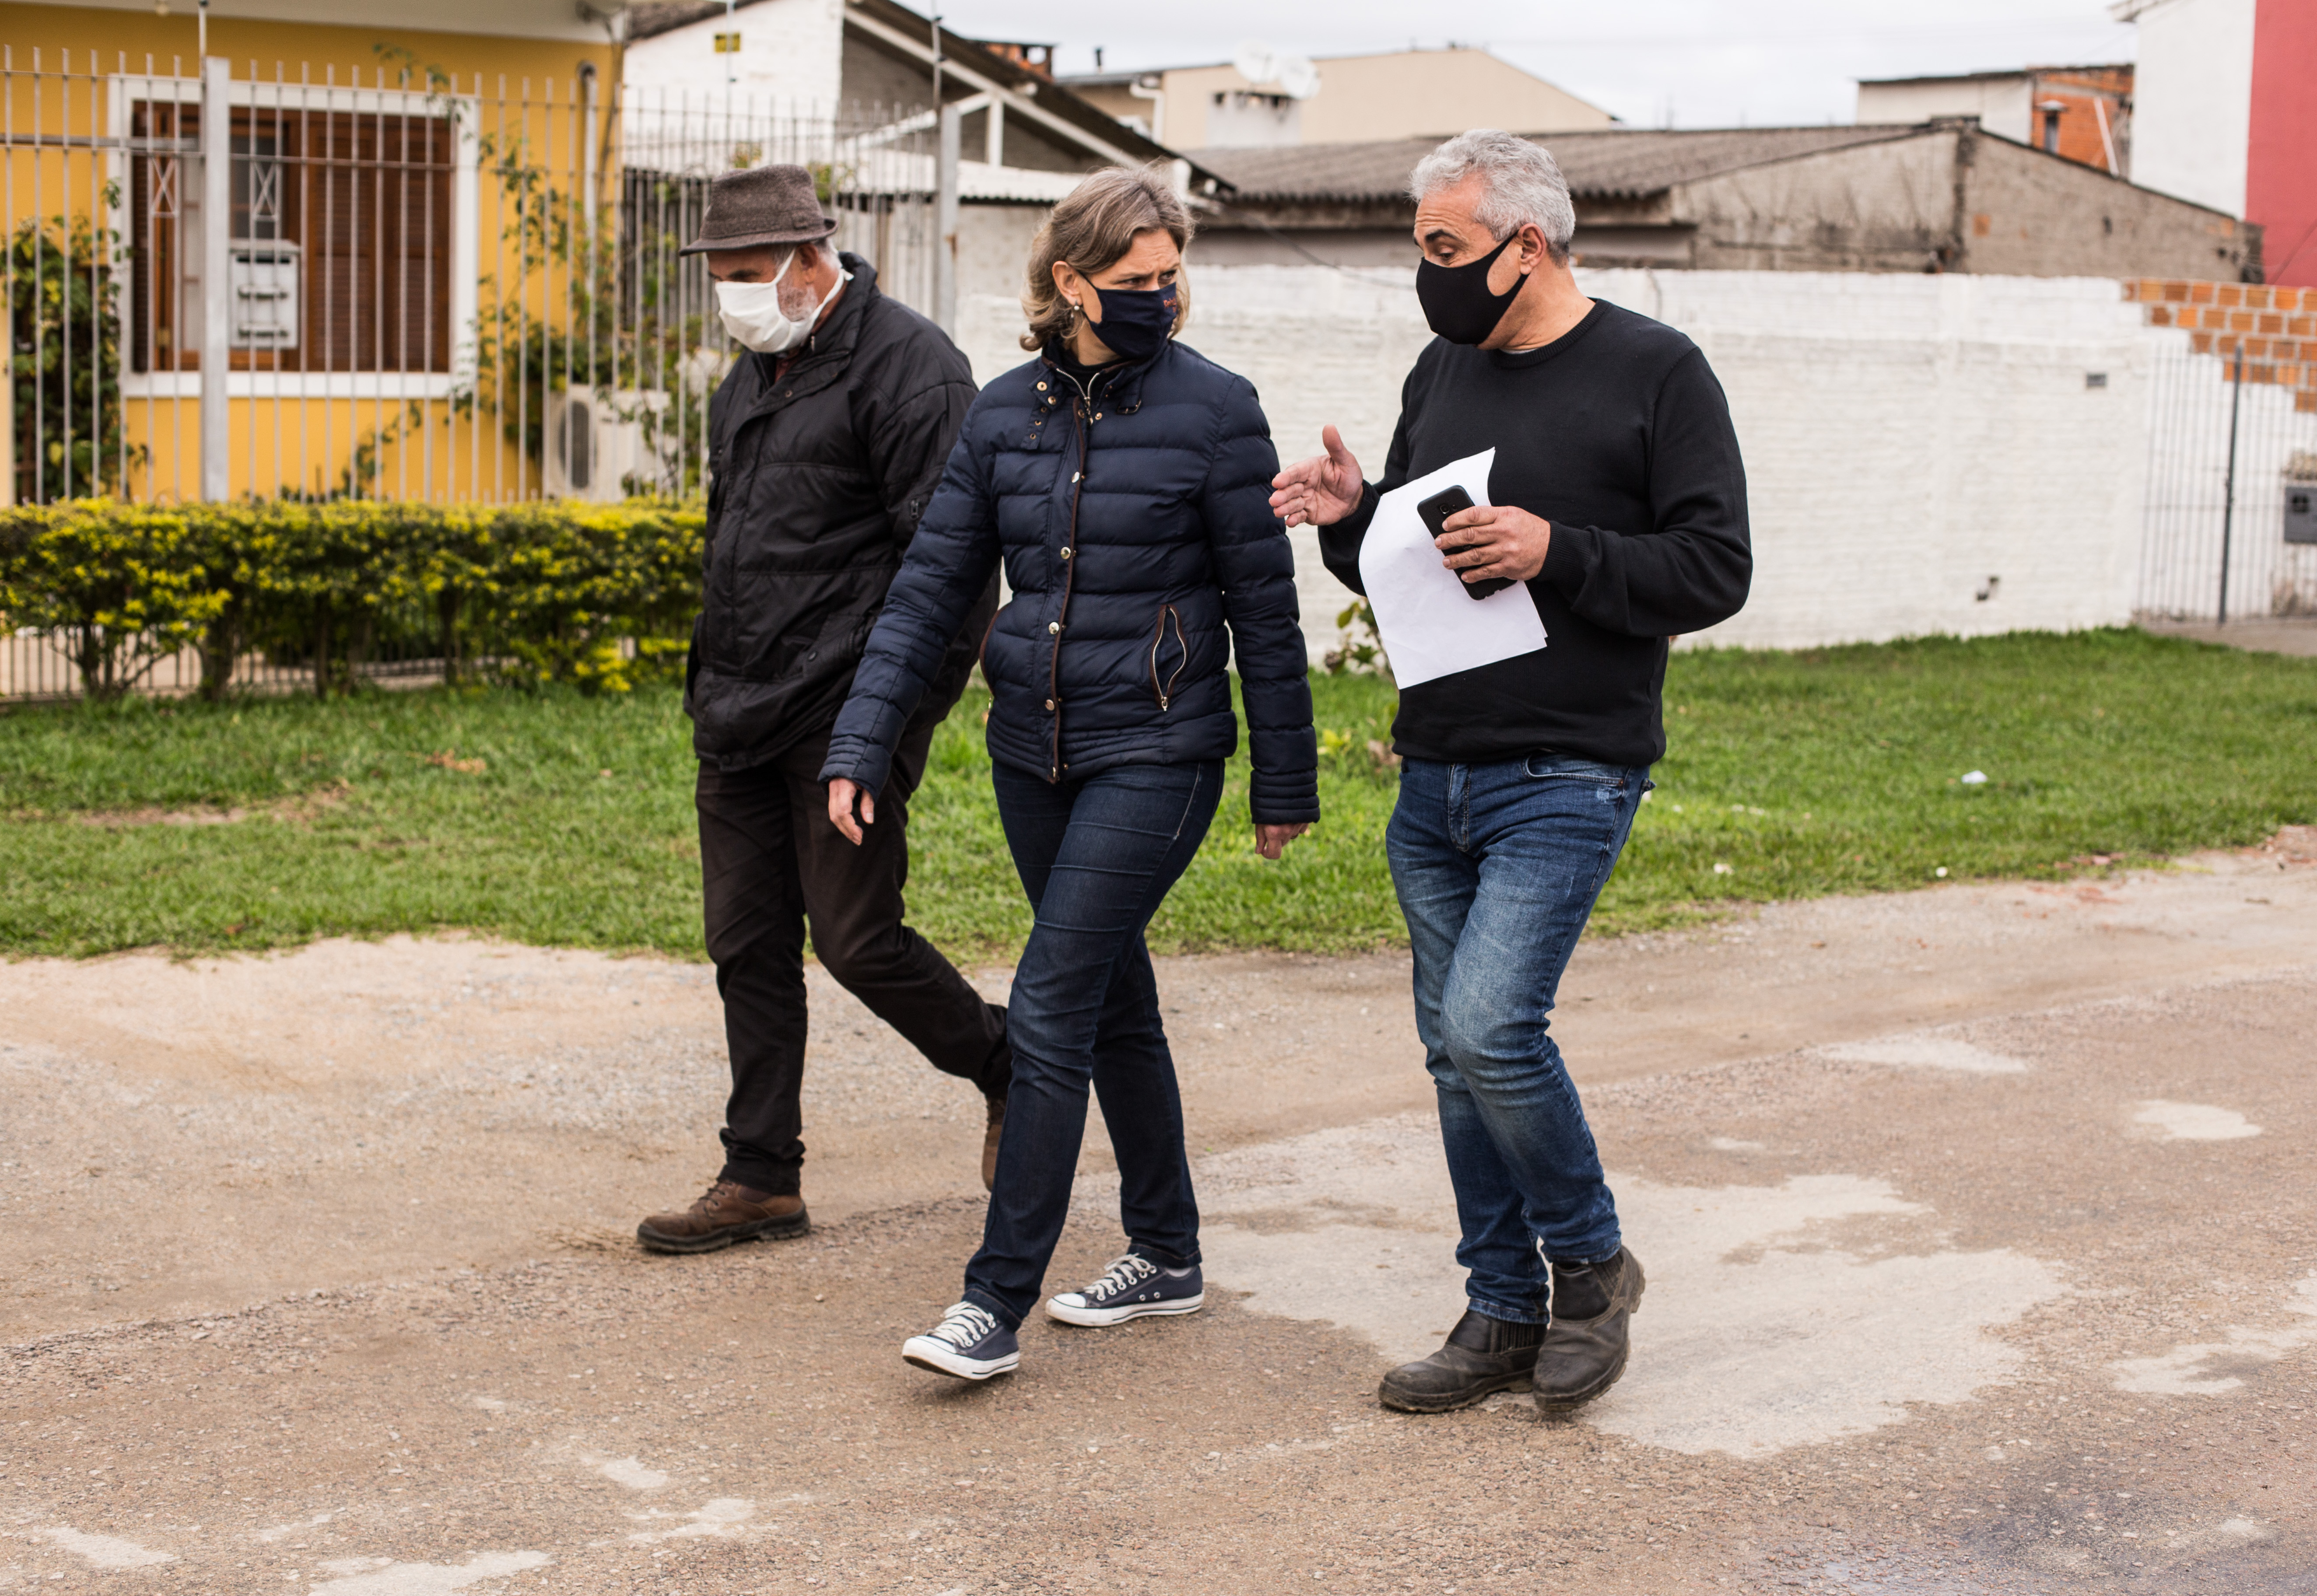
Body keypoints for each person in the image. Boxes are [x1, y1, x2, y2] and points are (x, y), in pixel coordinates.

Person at [1270, 130, 1752, 1414]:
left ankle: (1593, 1270)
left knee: (1492, 1028)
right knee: (1450, 1051)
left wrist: (1562, 550)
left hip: (1569, 770)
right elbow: (1425, 558)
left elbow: (1716, 571)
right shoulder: (1445, 366)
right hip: (1437, 774)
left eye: (1444, 248)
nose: (1425, 274)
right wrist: (1352, 515)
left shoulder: (1660, 373)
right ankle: (1500, 1312)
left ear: (1525, 244)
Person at [819, 165, 1318, 1380]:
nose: (1163, 296)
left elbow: (1265, 605)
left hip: (1160, 748)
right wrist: (861, 740)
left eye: (1171, 277)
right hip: (1031, 750)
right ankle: (1169, 1251)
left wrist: (1284, 779)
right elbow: (931, 588)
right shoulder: (1001, 415)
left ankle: (991, 1307)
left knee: (1047, 1006)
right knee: (1113, 1000)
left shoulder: (1217, 409)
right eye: (1137, 280)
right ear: (1070, 283)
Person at [636, 164, 1012, 1255]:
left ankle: (1004, 1062)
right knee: (744, 944)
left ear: (813, 260)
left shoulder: (912, 368)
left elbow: (949, 570)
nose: (732, 298)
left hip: (847, 712)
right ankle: (761, 1177)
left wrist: (888, 726)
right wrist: (713, 686)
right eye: (720, 279)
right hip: (740, 710)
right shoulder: (751, 373)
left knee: (856, 939)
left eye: (749, 276)